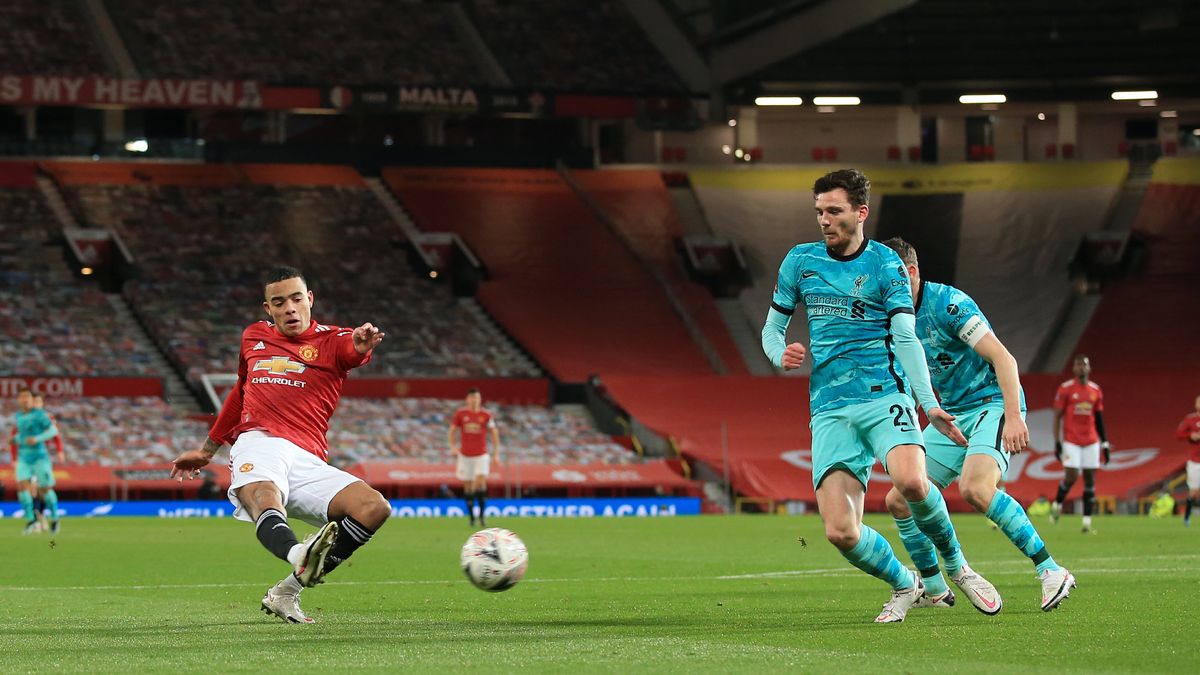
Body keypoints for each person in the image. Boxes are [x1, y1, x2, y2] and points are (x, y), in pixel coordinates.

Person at [761, 168, 998, 623]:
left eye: (833, 211)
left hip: (884, 394)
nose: (824, 220)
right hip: (830, 407)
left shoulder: (886, 265)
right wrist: (779, 353)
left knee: (911, 482)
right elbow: (773, 327)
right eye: (818, 212)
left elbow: (906, 339)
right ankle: (906, 582)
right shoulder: (800, 261)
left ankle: (958, 568)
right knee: (840, 532)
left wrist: (928, 403)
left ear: (860, 212)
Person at [171, 266, 391, 624]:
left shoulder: (334, 340)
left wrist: (361, 344)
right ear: (268, 309)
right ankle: (299, 553)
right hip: (259, 440)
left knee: (373, 508)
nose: (289, 307)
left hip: (307, 457)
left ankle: (286, 592)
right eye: (279, 302)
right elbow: (240, 392)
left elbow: (353, 349)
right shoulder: (253, 337)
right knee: (263, 494)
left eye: (296, 298)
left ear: (310, 300)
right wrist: (208, 450)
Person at [881, 238, 1074, 612]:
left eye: (891, 278)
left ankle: (1051, 570)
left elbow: (1004, 358)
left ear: (911, 273)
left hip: (992, 403)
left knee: (975, 488)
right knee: (899, 500)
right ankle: (935, 590)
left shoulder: (949, 305)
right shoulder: (893, 317)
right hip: (951, 414)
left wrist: (1015, 416)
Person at [1051, 355, 1110, 533]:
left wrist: (1105, 443)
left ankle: (1086, 522)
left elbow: (1099, 419)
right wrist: (1057, 442)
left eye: (1084, 364)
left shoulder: (1096, 391)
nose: (1082, 367)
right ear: (1074, 368)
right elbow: (1057, 417)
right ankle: (1057, 504)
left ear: (1089, 368)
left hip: (1091, 441)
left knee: (1090, 480)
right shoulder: (1066, 389)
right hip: (1072, 440)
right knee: (1071, 476)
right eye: (1078, 365)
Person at [10, 387, 62, 535]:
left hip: (40, 456)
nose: (24, 399)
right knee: (21, 486)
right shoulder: (19, 416)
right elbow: (23, 436)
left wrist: (38, 439)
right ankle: (31, 518)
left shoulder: (40, 415)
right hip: (24, 457)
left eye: (27, 396)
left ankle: (55, 517)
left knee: (44, 489)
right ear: (19, 399)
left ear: (31, 400)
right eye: (21, 396)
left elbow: (53, 431)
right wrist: (14, 440)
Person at [448, 388, 501, 527]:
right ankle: (472, 518)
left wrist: (496, 453)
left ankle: (482, 517)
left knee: (480, 483)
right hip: (465, 455)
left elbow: (494, 432)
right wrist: (453, 446)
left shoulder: (486, 415)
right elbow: (452, 431)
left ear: (480, 399)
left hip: (481, 454)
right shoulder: (461, 414)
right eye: (472, 398)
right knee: (468, 486)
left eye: (477, 398)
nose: (474, 401)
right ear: (468, 399)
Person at [31, 393, 64, 531]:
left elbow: (55, 435)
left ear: (42, 403)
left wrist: (60, 450)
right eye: (34, 401)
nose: (36, 404)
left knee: (43, 489)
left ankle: (46, 516)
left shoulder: (47, 417)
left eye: (38, 401)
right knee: (32, 489)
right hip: (28, 458)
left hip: (42, 458)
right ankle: (37, 518)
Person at [1175, 394, 1200, 525]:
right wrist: (1191, 435)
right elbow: (1179, 434)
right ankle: (1187, 517)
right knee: (1194, 491)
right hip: (1195, 461)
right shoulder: (1190, 419)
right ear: (1196, 405)